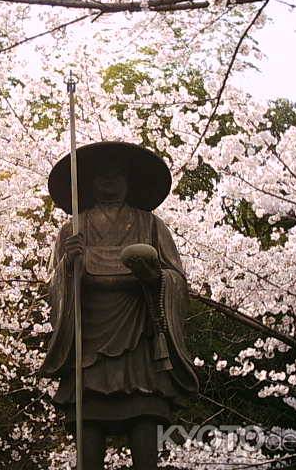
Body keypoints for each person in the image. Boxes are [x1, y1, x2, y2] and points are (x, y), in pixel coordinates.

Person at [40, 141, 199, 470]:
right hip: (89, 339)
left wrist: (155, 278)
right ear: (90, 183)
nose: (109, 183)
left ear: (129, 181)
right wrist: (69, 266)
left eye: (116, 176)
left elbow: (177, 280)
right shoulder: (73, 229)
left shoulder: (150, 225)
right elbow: (53, 287)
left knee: (144, 420)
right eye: (101, 177)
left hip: (138, 334)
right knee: (89, 426)